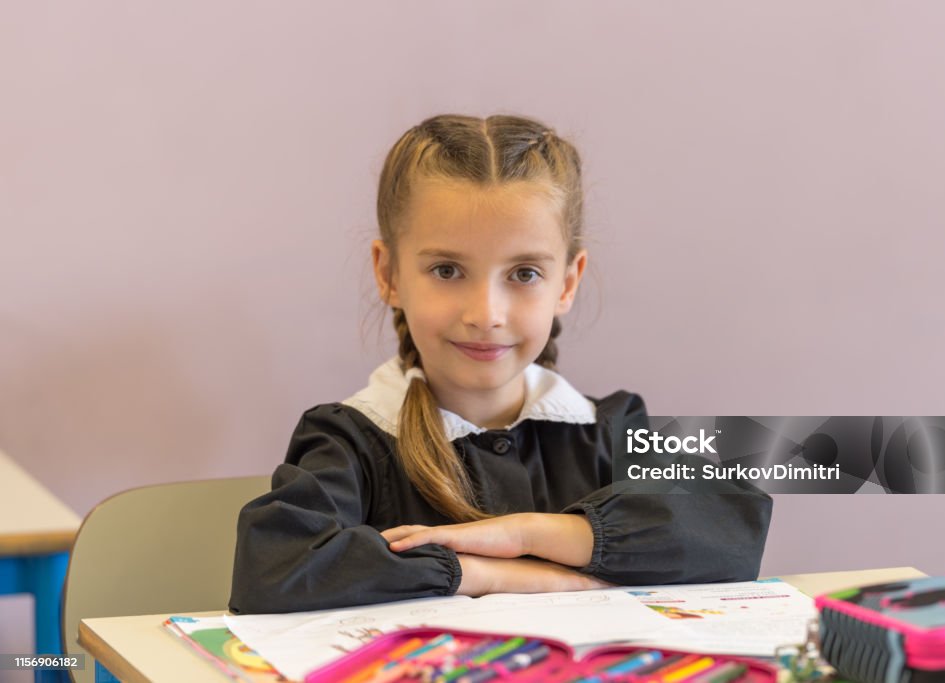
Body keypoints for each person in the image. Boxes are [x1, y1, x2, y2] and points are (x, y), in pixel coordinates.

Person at [229, 114, 772, 614]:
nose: (486, 314)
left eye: (524, 273)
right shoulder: (350, 437)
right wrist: (484, 572)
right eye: (446, 270)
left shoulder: (612, 425)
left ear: (568, 280)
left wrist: (532, 536)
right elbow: (273, 569)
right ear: (389, 274)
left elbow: (737, 513)